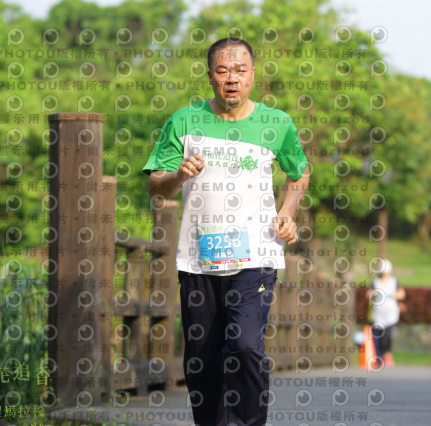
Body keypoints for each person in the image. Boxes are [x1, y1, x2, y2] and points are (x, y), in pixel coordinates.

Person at [142, 38, 309, 426]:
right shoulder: (184, 121)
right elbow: (156, 185)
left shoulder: (276, 123)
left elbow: (299, 173)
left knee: (247, 346)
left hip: (256, 257)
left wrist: (287, 210)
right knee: (202, 358)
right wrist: (178, 175)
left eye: (240, 71)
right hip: (198, 260)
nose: (232, 79)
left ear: (253, 75)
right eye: (222, 71)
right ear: (210, 76)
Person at [368, 259, 405, 368]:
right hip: (378, 314)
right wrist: (373, 293)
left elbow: (402, 294)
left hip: (390, 314)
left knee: (387, 336)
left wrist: (395, 295)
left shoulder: (394, 281)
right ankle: (378, 358)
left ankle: (387, 355)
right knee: (377, 337)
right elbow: (368, 294)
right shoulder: (376, 282)